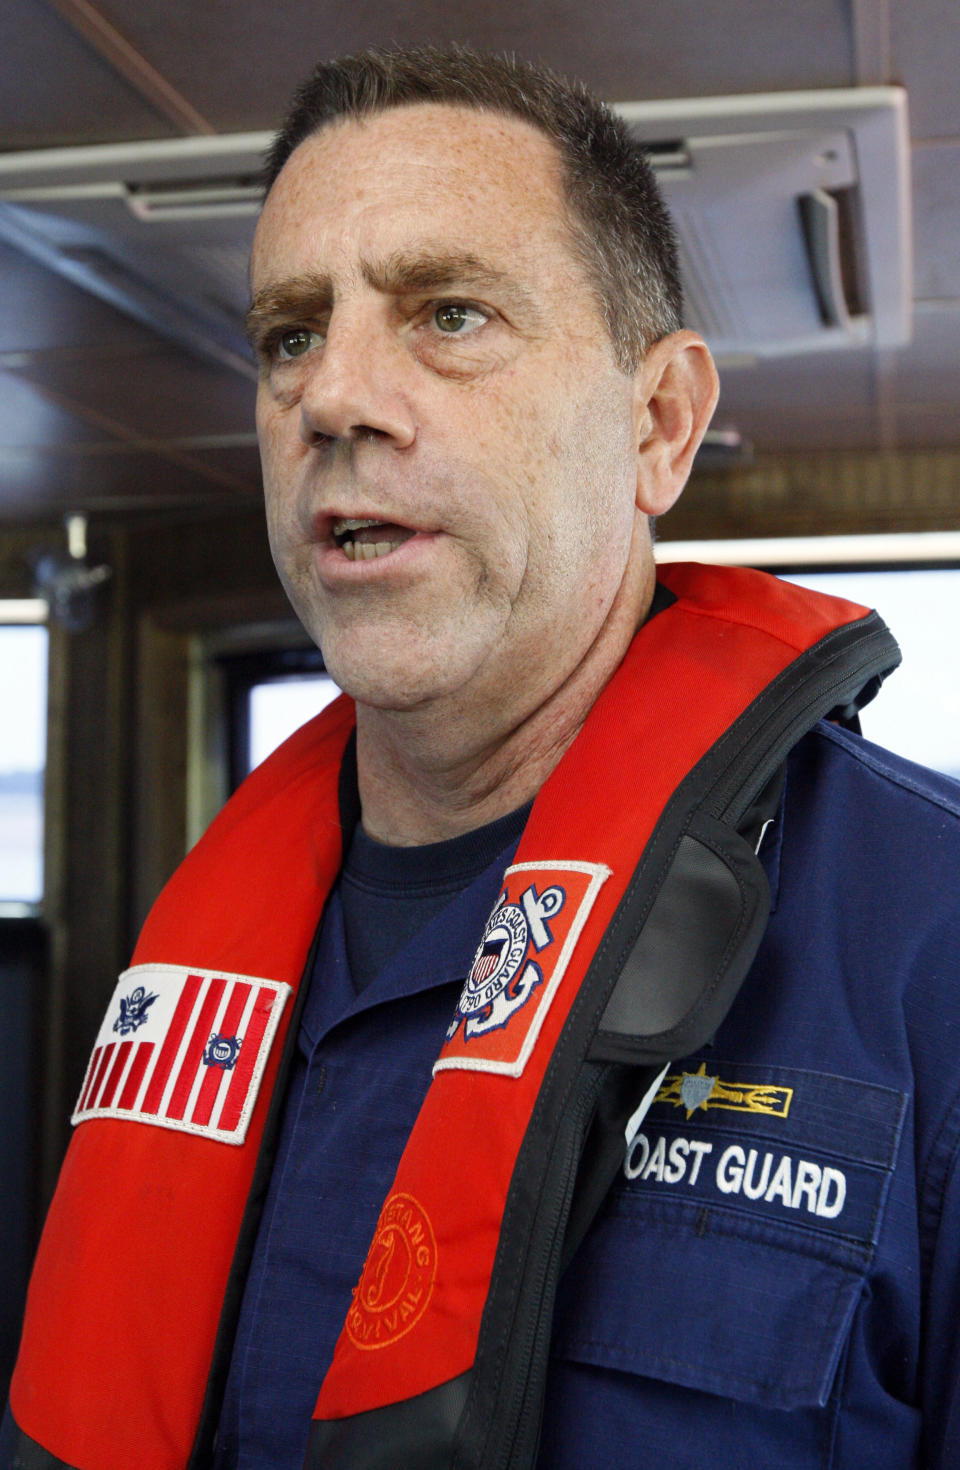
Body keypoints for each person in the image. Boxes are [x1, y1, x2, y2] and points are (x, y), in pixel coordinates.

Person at [4, 45, 960, 1470]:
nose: (334, 396)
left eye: (449, 313)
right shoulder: (190, 963)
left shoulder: (928, 935)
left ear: (659, 424)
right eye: (288, 335)